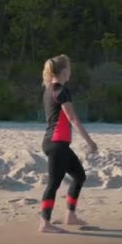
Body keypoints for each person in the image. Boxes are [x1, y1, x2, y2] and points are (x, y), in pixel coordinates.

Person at [39, 54, 98, 233]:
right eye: (69, 68)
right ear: (64, 71)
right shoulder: (60, 91)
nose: (70, 71)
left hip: (58, 144)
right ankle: (44, 223)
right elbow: (72, 118)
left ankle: (70, 216)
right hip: (56, 144)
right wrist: (90, 142)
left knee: (79, 176)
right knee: (53, 184)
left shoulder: (50, 89)